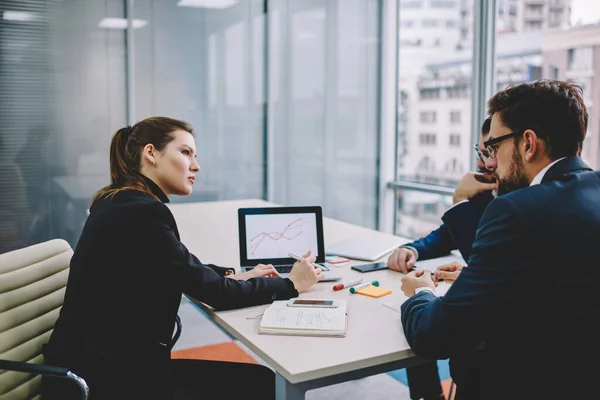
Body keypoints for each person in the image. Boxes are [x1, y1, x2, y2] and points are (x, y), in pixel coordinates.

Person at [42, 117, 323, 400]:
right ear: (151, 153)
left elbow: (176, 266)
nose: (196, 166)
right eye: (186, 152)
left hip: (97, 365)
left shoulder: (120, 201)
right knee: (260, 383)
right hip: (108, 383)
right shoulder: (141, 212)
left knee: (257, 380)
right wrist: (291, 284)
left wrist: (231, 275)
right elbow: (216, 294)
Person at [400, 80, 600, 400]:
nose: (490, 162)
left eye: (493, 148)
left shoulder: (513, 210)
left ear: (528, 144)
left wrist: (420, 293)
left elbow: (434, 336)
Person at [387, 118, 496, 400]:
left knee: (421, 312)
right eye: (481, 152)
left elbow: (489, 267)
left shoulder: (515, 202)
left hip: (497, 341)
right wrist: (412, 249)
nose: (483, 164)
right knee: (417, 311)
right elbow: (444, 236)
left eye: (489, 152)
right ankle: (429, 395)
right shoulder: (485, 194)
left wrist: (459, 200)